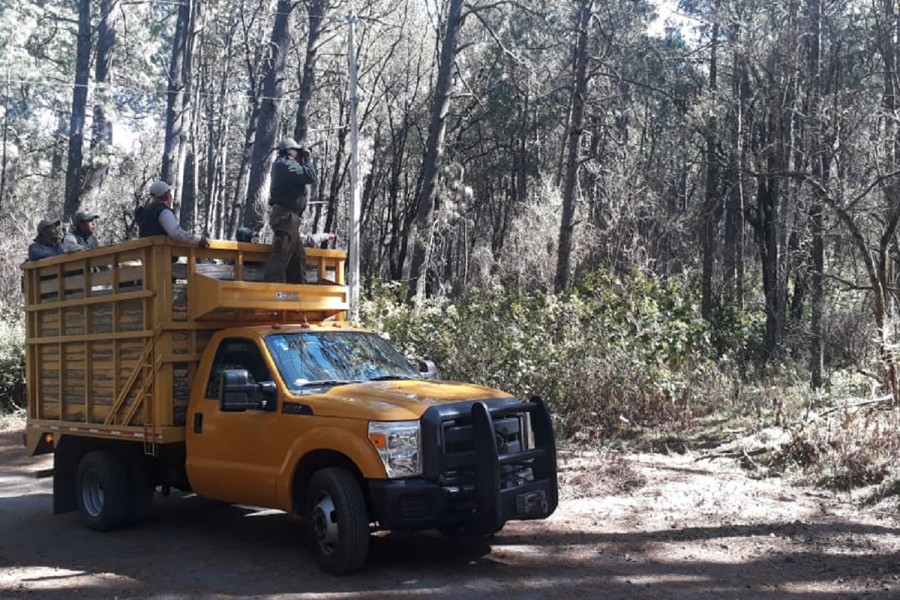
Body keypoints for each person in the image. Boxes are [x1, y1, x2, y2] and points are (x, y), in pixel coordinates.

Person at [262, 138, 316, 283]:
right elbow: (310, 176)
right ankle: (267, 292)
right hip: (285, 217)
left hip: (289, 218)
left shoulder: (285, 164)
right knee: (282, 254)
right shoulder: (285, 164)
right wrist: (308, 159)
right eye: (297, 151)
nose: (300, 154)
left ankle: (298, 296)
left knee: (298, 258)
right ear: (289, 151)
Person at [136, 180, 210, 248]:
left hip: (147, 256)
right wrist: (199, 239)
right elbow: (176, 233)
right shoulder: (163, 212)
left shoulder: (145, 212)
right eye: (169, 193)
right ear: (166, 196)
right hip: (163, 257)